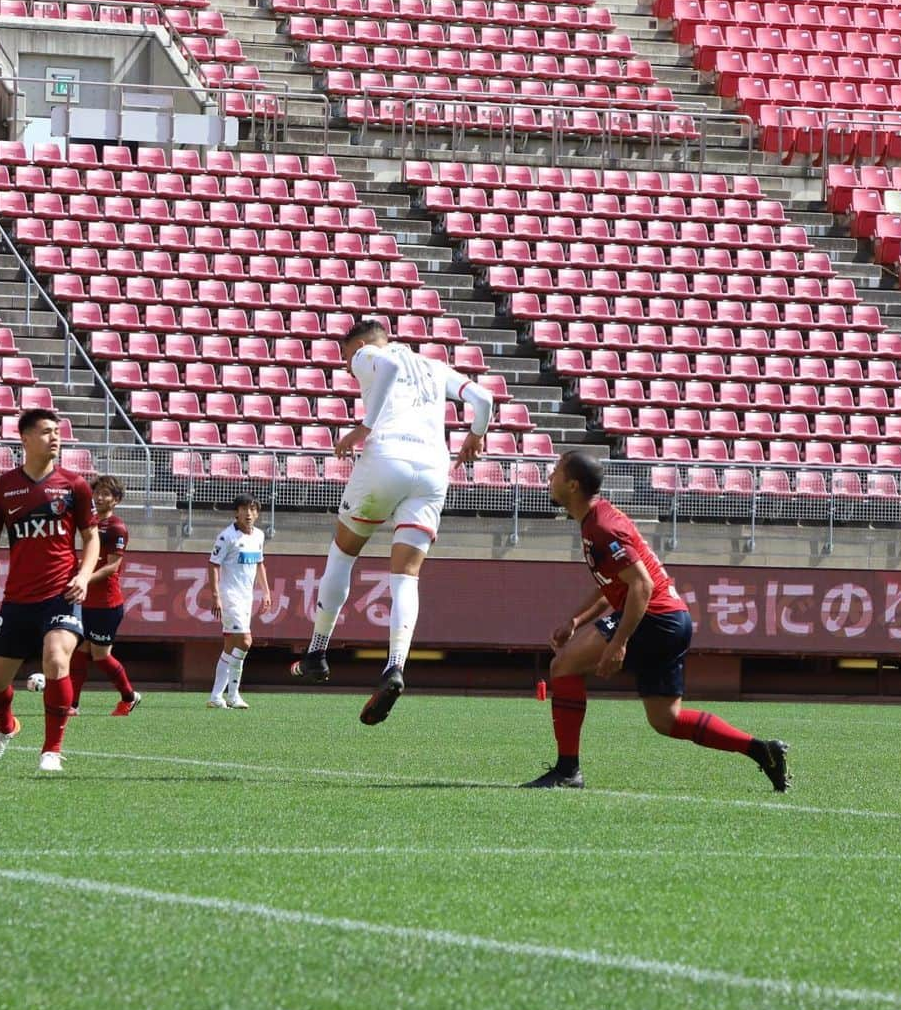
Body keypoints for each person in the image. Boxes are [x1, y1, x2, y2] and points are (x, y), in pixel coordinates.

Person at [522, 450, 791, 792]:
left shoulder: (602, 528)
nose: (550, 477)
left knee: (563, 666)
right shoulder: (598, 520)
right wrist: (576, 620)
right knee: (667, 720)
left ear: (572, 485)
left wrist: (618, 643)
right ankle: (761, 750)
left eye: (556, 472)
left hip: (655, 618)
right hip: (672, 619)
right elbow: (618, 585)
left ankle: (567, 770)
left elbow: (642, 586)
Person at [289, 318, 494, 726]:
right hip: (434, 469)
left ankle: (316, 652)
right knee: (407, 577)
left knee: (343, 554)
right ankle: (395, 666)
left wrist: (364, 427)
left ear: (362, 344)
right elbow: (484, 398)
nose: (351, 368)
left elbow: (390, 368)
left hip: (388, 456)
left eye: (348, 359)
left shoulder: (372, 354)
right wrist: (476, 434)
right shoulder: (434, 365)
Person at [0, 408, 99, 774]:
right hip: (18, 600)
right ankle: (6, 726)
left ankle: (51, 750)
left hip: (61, 596)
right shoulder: (4, 487)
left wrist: (83, 576)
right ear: (25, 439)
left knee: (56, 657)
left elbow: (91, 538)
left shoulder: (75, 485)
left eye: (58, 432)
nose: (56, 438)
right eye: (47, 432)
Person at [68, 474, 142, 717]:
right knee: (78, 652)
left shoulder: (116, 527)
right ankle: (72, 705)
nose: (99, 497)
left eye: (106, 494)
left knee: (100, 656)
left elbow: (113, 566)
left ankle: (129, 697)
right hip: (85, 599)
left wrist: (84, 577)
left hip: (106, 604)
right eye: (97, 492)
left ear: (116, 500)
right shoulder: (90, 522)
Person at [207, 494, 271, 709]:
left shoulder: (259, 536)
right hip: (230, 596)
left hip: (246, 598)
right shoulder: (227, 537)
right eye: (244, 509)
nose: (249, 514)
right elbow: (213, 564)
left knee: (230, 646)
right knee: (245, 641)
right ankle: (233, 695)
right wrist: (216, 595)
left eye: (253, 510)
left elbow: (260, 564)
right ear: (236, 512)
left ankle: (216, 696)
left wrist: (266, 592)